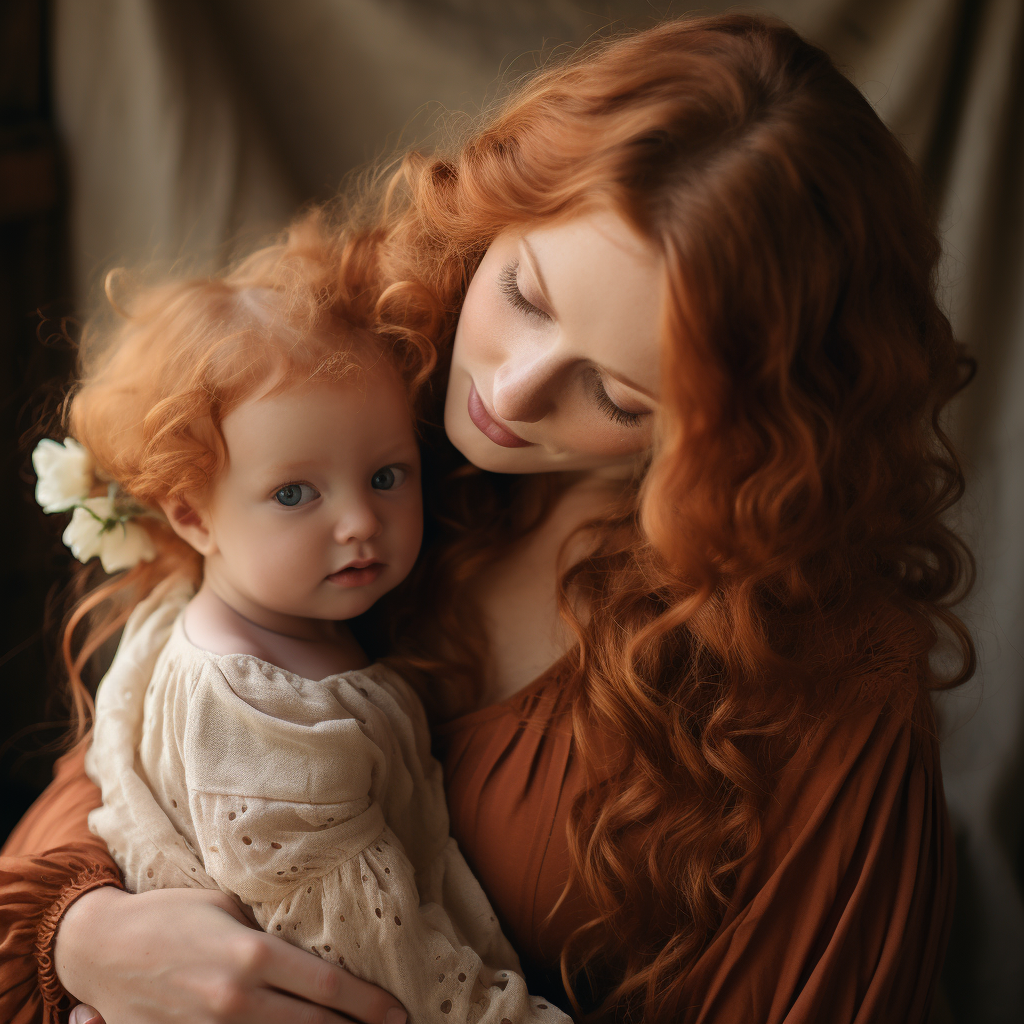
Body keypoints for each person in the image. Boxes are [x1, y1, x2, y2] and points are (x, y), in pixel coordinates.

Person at [0, 13, 973, 1024]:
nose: (507, 394)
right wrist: (88, 935)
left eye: (616, 395)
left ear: (740, 436)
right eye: (526, 295)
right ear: (497, 211)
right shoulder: (367, 387)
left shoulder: (826, 694)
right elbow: (142, 739)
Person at [24, 222, 571, 1024]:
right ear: (191, 516)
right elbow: (376, 963)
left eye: (387, 475)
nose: (359, 522)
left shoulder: (215, 615)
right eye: (295, 494)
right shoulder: (266, 732)